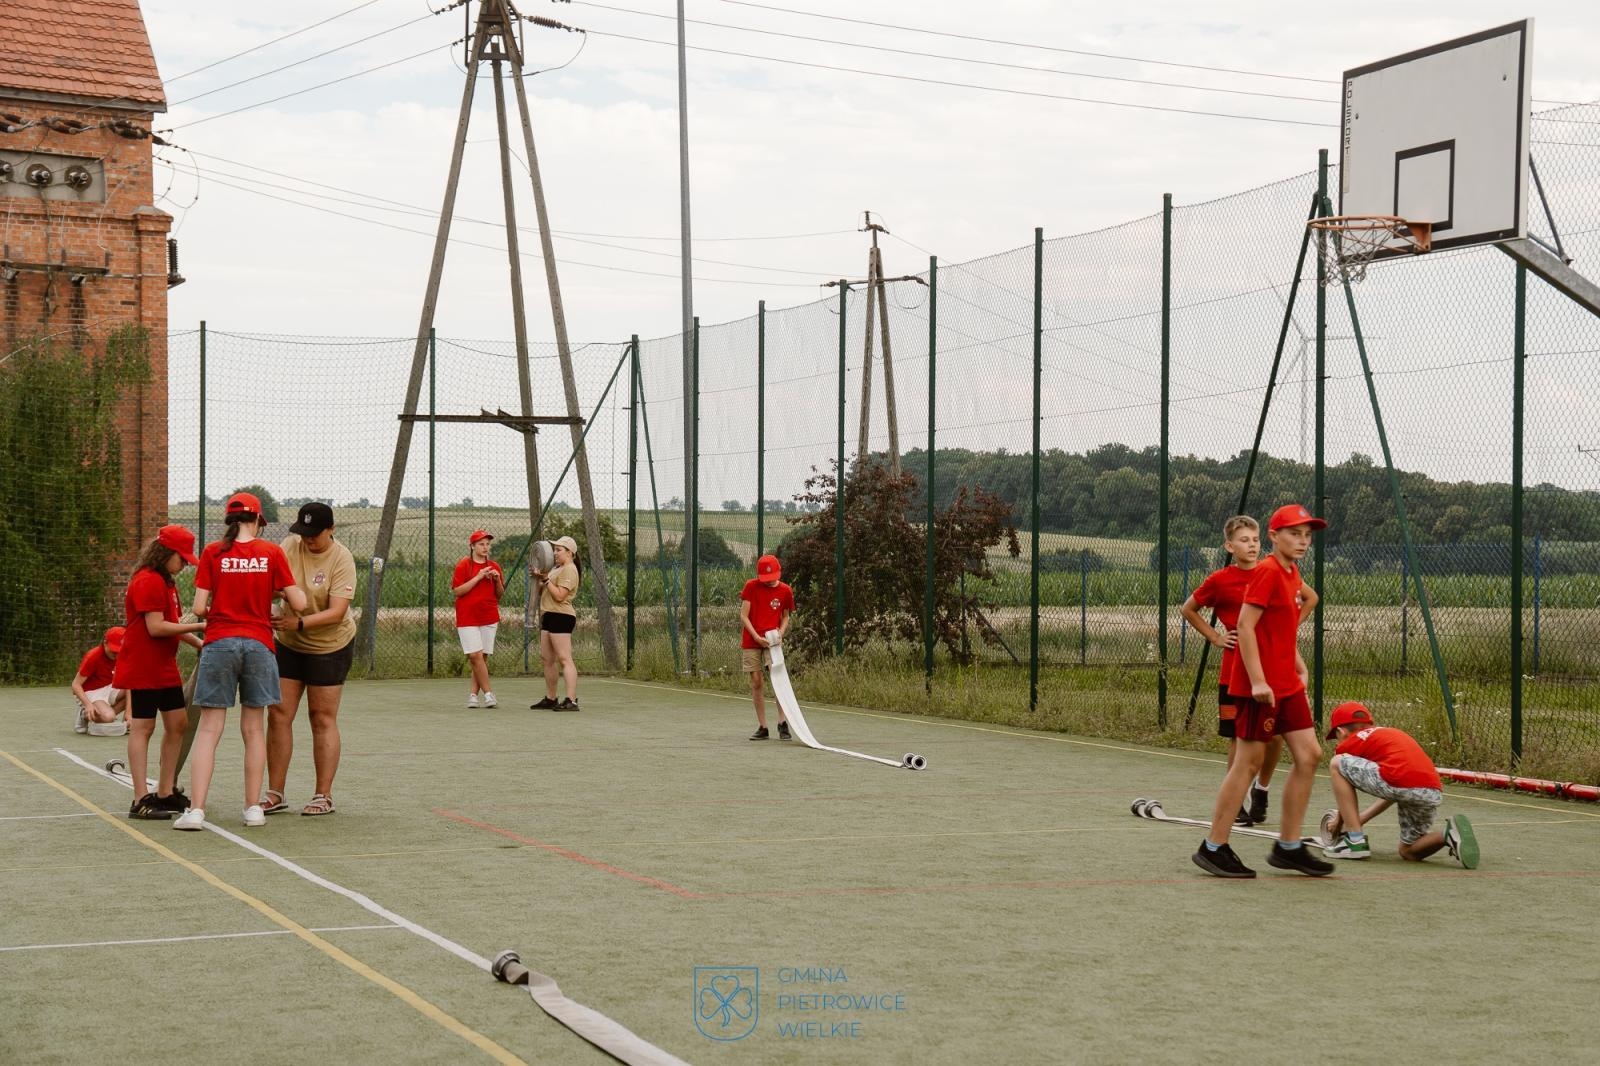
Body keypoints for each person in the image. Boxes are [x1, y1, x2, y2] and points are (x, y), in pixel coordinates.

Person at [1193, 503, 1334, 879]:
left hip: (1285, 682)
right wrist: (1257, 680)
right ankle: (1214, 847)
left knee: (1309, 755)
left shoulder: (1291, 571)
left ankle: (1288, 847)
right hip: (1262, 687)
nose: (1303, 541)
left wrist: (1294, 659)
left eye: (1307, 535)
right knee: (1248, 762)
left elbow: (1280, 624)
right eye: (1294, 533)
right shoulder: (1269, 573)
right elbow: (1246, 625)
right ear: (1275, 537)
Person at [177, 492, 306, 831]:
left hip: (219, 643)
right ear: (258, 522)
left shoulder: (212, 553)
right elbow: (300, 603)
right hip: (259, 644)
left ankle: (196, 811)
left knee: (208, 729)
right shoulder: (272, 552)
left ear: (229, 522)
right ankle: (253, 808)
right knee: (253, 729)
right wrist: (272, 593)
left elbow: (200, 608)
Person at [263, 502, 358, 817]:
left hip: (329, 645)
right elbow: (272, 584)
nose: (307, 540)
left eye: (314, 535)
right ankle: (275, 793)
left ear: (330, 530)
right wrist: (275, 604)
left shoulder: (341, 559)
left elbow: (337, 611)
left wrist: (299, 622)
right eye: (303, 533)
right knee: (278, 713)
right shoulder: (289, 545)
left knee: (321, 717)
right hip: (289, 643)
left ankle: (323, 795)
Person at [112, 524, 206, 819]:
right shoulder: (148, 580)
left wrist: (199, 643)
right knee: (144, 728)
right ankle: (140, 799)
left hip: (164, 666)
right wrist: (200, 626)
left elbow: (172, 623)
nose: (184, 565)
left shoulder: (166, 581)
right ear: (165, 553)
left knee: (177, 724)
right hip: (143, 665)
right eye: (181, 558)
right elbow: (156, 628)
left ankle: (165, 792)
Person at [1321, 701, 1479, 868]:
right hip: (1430, 790)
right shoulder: (1388, 734)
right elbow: (1395, 790)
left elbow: (1393, 783)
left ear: (1341, 731)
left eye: (1336, 737)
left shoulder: (1352, 741)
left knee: (1336, 763)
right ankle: (1448, 835)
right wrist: (1361, 819)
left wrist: (1337, 823)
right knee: (1408, 850)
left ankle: (1354, 841)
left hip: (1400, 783)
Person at [740, 554, 795, 741]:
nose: (770, 582)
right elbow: (744, 616)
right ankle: (763, 727)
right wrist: (756, 636)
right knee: (756, 681)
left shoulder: (786, 590)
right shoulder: (751, 587)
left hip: (772, 642)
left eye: (773, 578)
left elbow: (786, 616)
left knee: (777, 679)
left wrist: (780, 633)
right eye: (766, 578)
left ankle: (782, 723)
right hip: (752, 640)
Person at [452, 529, 504, 708]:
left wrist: (496, 580)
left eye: (488, 544)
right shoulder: (464, 565)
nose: (485, 547)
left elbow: (499, 594)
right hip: (467, 617)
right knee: (474, 656)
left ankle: (473, 695)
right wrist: (479, 577)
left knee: (482, 657)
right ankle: (489, 694)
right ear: (472, 546)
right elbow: (458, 591)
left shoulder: (495, 566)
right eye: (481, 544)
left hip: (489, 616)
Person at [530, 535, 582, 711]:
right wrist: (540, 577)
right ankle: (551, 698)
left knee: (564, 659)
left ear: (570, 553)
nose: (555, 553)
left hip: (562, 616)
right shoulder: (556, 569)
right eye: (555, 549)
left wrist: (545, 580)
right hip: (549, 616)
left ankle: (571, 700)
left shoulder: (569, 569)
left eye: (559, 550)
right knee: (547, 659)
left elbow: (559, 596)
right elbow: (544, 588)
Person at [71, 626, 129, 737]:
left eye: (119, 651)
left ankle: (101, 715)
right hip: (90, 692)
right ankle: (84, 714)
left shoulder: (124, 654)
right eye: (113, 651)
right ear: (105, 643)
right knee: (108, 717)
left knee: (137, 690)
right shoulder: (93, 656)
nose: (116, 655)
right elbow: (75, 684)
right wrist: (88, 705)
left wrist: (128, 713)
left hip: (110, 687)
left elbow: (129, 684)